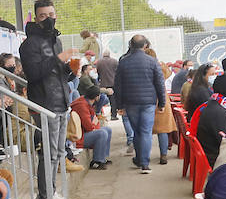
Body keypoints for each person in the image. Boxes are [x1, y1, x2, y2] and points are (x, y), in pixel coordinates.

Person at [19, 0, 79, 199]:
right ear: (36, 18)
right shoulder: (28, 44)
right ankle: (45, 198)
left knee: (59, 152)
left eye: (51, 15)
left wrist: (71, 70)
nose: (48, 19)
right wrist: (59, 58)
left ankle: (52, 193)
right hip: (44, 102)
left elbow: (61, 73)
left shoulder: (56, 40)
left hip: (62, 100)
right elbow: (34, 74)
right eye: (43, 16)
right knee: (49, 153)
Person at [112, 34, 166, 174]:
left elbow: (118, 85)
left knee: (137, 131)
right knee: (146, 132)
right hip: (148, 102)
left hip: (131, 102)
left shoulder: (123, 62)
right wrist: (162, 102)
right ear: (145, 46)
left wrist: (120, 105)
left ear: (131, 45)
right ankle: (144, 164)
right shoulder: (152, 61)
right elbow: (159, 83)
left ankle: (139, 158)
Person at [71, 81, 112, 169]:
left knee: (107, 130)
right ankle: (97, 161)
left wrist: (94, 123)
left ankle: (103, 157)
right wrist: (93, 123)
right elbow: (89, 127)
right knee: (102, 133)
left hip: (83, 132)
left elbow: (94, 124)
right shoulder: (82, 105)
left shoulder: (86, 102)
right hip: (78, 137)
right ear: (96, 97)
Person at [146, 46, 176, 165]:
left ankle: (144, 157)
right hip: (162, 99)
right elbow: (168, 73)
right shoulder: (160, 67)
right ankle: (163, 155)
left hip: (148, 97)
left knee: (145, 130)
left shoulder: (145, 68)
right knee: (162, 130)